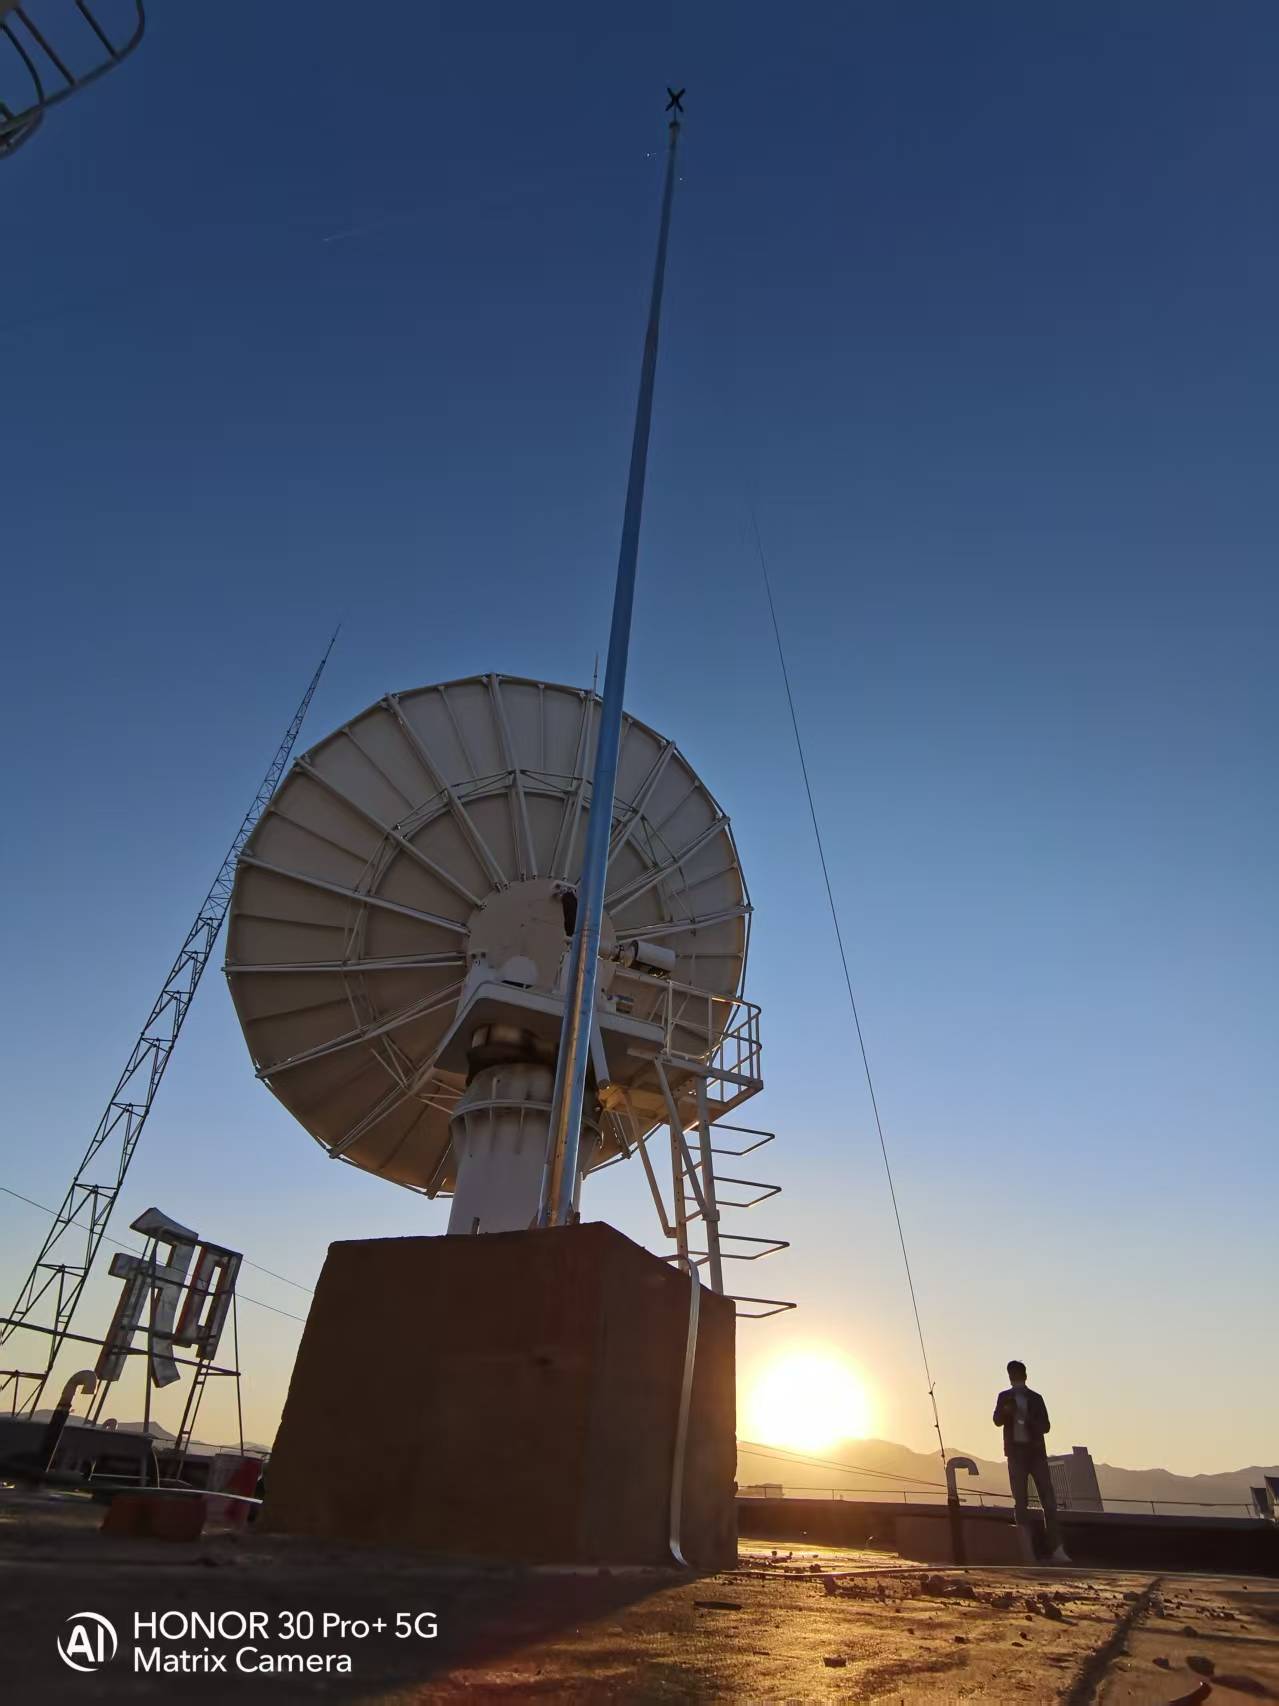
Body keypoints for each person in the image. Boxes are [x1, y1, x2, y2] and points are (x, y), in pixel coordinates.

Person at [993, 1359, 1070, 1563]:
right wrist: (1008, 1411)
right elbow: (997, 1420)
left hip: (1035, 1453)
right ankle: (1027, 1551)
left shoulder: (1035, 1398)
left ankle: (1056, 1549)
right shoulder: (1004, 1397)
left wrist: (1028, 1421)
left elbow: (1045, 1426)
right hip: (1016, 1454)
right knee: (1021, 1502)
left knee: (1048, 1501)